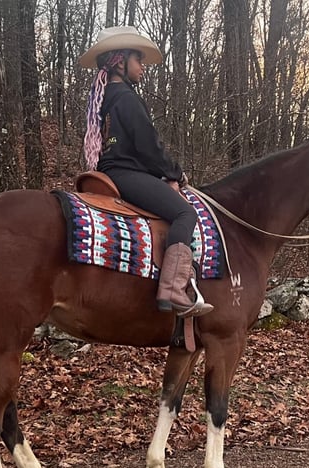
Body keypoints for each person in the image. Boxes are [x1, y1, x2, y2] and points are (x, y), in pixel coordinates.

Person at [79, 26, 213, 317]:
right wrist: (175, 174)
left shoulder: (102, 99)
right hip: (126, 173)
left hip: (108, 172)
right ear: (119, 61)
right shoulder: (126, 97)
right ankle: (174, 289)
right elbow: (148, 146)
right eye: (138, 60)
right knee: (184, 213)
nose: (142, 68)